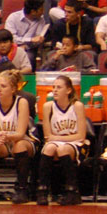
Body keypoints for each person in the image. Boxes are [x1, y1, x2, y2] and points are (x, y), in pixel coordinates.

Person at [0, 69, 34, 203]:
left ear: (13, 89)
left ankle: (22, 189)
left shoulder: (22, 102)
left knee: (19, 145)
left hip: (21, 140)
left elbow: (21, 133)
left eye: (3, 86)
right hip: (2, 142)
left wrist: (7, 137)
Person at [39, 74, 89, 206]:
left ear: (68, 90)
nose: (55, 90)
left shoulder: (77, 106)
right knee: (49, 148)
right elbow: (47, 136)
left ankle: (72, 191)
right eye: (53, 87)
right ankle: (42, 190)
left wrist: (57, 137)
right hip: (56, 142)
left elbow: (81, 136)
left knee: (62, 149)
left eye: (59, 87)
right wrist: (55, 138)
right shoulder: (48, 106)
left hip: (75, 143)